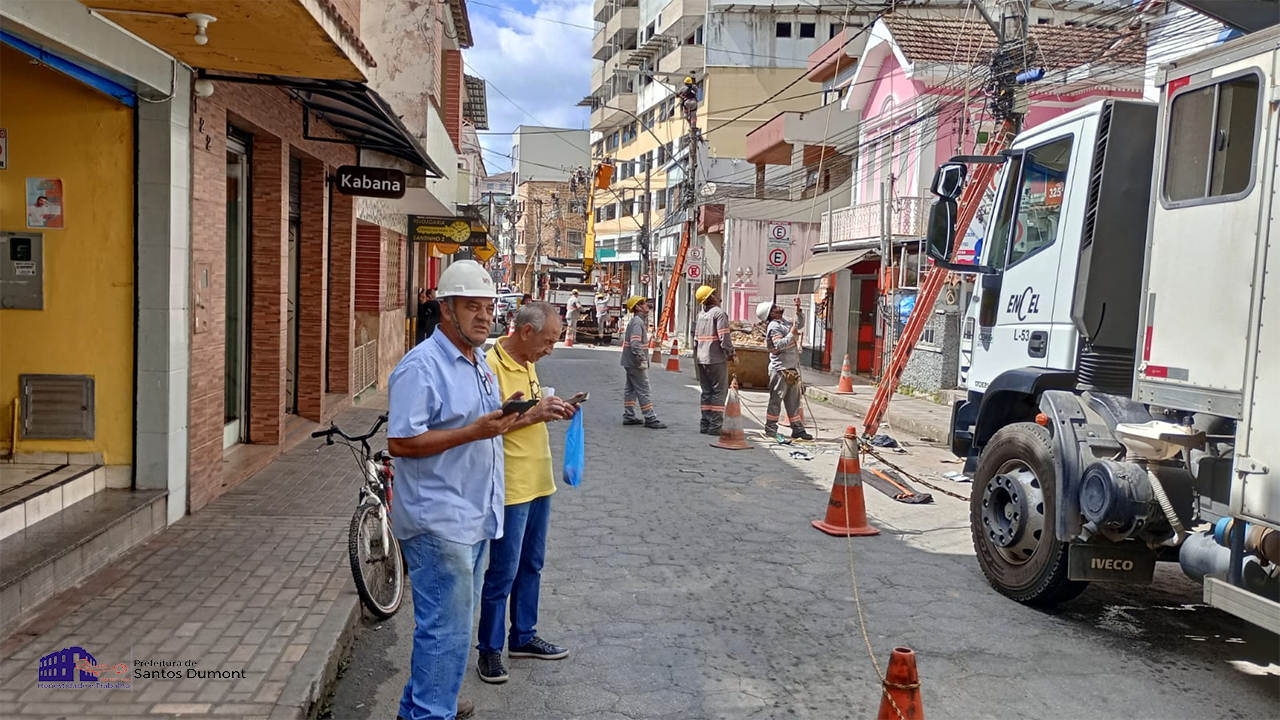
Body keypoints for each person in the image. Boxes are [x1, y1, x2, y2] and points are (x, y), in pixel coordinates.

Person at [388, 260, 519, 720]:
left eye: (488, 308)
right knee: (445, 631)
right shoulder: (421, 368)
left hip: (472, 516)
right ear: (446, 310)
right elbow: (401, 442)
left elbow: (486, 425)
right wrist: (474, 432)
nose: (484, 316)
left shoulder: (477, 360)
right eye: (472, 307)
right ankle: (430, 711)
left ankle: (424, 705)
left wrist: (533, 416)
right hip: (438, 521)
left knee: (451, 630)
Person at [477, 301, 576, 684]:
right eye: (549, 341)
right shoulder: (489, 367)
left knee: (532, 565)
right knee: (502, 572)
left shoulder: (528, 363)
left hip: (540, 480)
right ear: (526, 332)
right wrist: (534, 415)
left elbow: (527, 413)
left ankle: (522, 636)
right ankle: (488, 651)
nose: (551, 349)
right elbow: (489, 426)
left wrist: (557, 408)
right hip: (511, 485)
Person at [759, 298, 813, 441]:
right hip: (780, 369)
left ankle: (798, 429)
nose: (778, 307)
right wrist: (791, 334)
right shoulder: (774, 327)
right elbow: (779, 344)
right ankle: (771, 428)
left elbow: (798, 325)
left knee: (794, 401)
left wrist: (799, 310)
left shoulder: (785, 322)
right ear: (771, 314)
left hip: (791, 367)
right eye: (774, 307)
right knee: (776, 399)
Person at [694, 285, 735, 435]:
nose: (718, 295)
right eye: (715, 293)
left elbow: (696, 339)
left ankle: (704, 424)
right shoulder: (719, 314)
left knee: (706, 392)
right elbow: (724, 337)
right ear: (711, 297)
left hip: (702, 359)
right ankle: (715, 426)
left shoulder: (700, 315)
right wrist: (731, 354)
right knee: (719, 392)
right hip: (716, 358)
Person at [621, 296, 665, 428]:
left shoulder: (638, 321)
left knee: (631, 389)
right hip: (635, 362)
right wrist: (641, 359)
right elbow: (635, 343)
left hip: (629, 361)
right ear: (637, 308)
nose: (646, 305)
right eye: (642, 303)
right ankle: (650, 417)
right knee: (643, 389)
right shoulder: (637, 322)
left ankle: (629, 416)